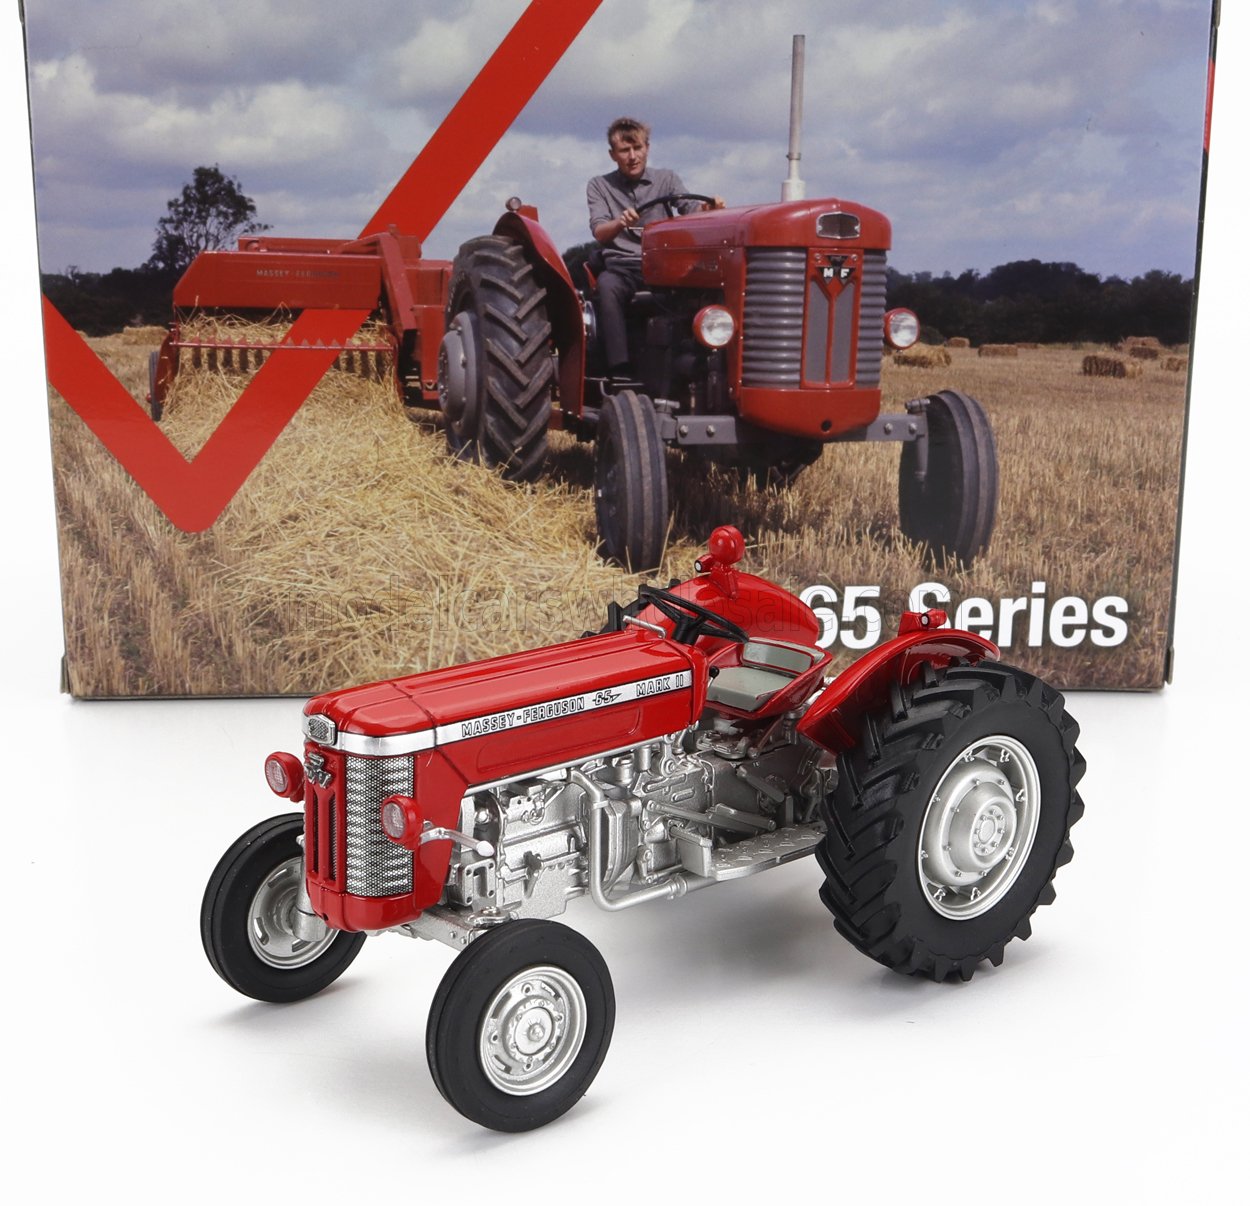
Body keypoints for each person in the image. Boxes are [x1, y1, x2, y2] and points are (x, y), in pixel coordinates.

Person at [586, 117, 723, 383]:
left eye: (637, 148)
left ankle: (701, 362)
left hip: (663, 268)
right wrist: (620, 222)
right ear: (612, 155)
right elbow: (600, 231)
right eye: (624, 150)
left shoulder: (666, 179)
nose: (632, 156)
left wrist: (709, 209)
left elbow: (691, 211)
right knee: (607, 286)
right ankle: (620, 370)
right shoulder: (599, 186)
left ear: (647, 147)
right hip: (623, 267)